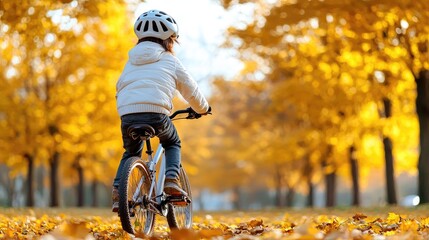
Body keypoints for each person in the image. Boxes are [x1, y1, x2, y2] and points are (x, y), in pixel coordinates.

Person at [112, 9, 211, 212]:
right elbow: (190, 89)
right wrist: (203, 109)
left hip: (127, 113)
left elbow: (120, 86)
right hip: (157, 114)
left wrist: (127, 109)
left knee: (131, 151)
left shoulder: (130, 62)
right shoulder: (170, 60)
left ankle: (117, 191)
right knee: (172, 142)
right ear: (170, 40)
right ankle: (172, 180)